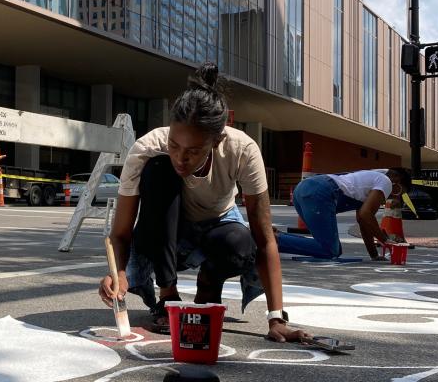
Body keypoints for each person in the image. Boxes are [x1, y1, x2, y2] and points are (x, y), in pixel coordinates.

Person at [98, 63, 307, 342]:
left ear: (217, 141)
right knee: (159, 169)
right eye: (174, 144)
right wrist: (119, 273)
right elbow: (121, 233)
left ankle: (208, 286)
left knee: (239, 243)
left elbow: (265, 237)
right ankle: (168, 296)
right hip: (165, 235)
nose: (180, 158)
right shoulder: (148, 148)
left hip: (218, 227)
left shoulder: (242, 150)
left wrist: (276, 318)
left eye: (193, 151)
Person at [276, 168, 412, 260]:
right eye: (398, 191)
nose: (394, 196)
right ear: (396, 180)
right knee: (330, 250)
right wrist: (384, 240)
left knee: (331, 248)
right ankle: (274, 240)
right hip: (320, 192)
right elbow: (366, 215)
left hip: (304, 189)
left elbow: (364, 221)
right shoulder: (385, 181)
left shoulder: (370, 181)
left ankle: (275, 238)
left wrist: (374, 255)